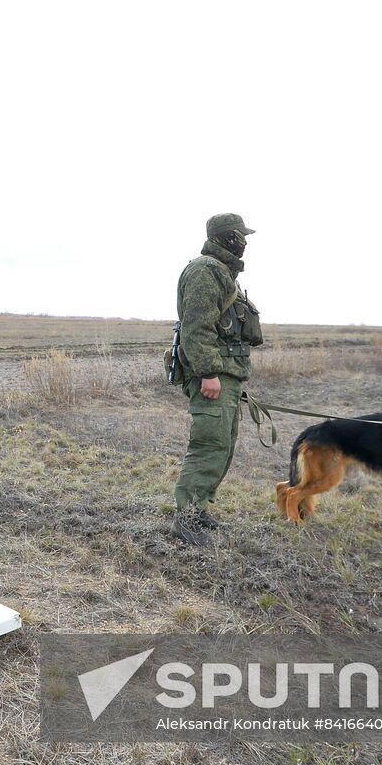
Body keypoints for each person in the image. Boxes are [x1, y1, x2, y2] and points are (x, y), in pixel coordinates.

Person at [172, 213, 261, 545]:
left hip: (227, 376)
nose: (246, 242)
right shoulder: (205, 271)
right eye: (241, 236)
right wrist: (208, 373)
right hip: (213, 377)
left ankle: (200, 510)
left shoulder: (222, 272)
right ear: (227, 238)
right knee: (209, 446)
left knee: (222, 447)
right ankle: (187, 520)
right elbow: (196, 329)